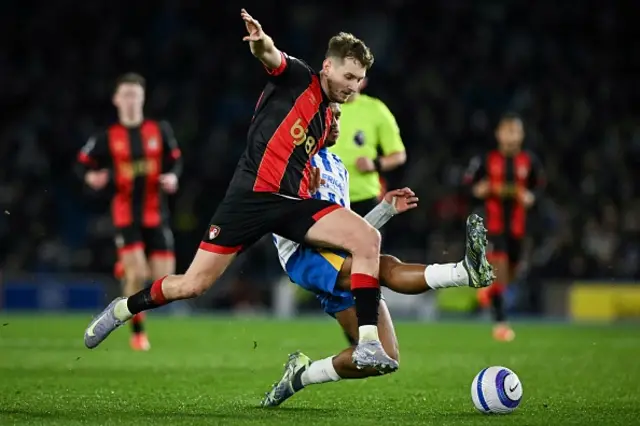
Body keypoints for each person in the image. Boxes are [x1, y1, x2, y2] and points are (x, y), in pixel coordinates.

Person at [83, 9, 397, 373]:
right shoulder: (299, 77)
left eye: (359, 79)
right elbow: (271, 56)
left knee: (367, 238)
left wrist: (309, 172)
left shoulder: (328, 117)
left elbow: (299, 152)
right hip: (249, 198)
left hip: (292, 204)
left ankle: (370, 343)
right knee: (192, 284)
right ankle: (124, 309)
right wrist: (261, 42)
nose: (353, 86)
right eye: (348, 76)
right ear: (327, 67)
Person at [262, 104, 494, 407]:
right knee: (382, 267)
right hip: (305, 255)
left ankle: (302, 374)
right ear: (310, 122)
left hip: (339, 257)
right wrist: (300, 192)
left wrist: (385, 210)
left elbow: (351, 232)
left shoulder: (337, 166)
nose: (337, 123)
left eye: (340, 117)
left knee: (384, 357)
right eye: (330, 116)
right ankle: (463, 272)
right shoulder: (292, 160)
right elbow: (271, 207)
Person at [77, 73, 181, 351]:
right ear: (116, 100)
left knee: (164, 281)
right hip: (126, 215)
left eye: (135, 95)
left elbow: (175, 161)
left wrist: (173, 177)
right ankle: (138, 334)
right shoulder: (108, 136)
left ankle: (124, 266)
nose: (131, 100)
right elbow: (83, 162)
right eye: (126, 95)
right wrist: (91, 177)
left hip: (156, 214)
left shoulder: (159, 130)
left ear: (143, 99)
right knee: (137, 276)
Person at [463, 112, 546, 341]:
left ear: (521, 135)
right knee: (498, 267)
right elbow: (468, 183)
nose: (510, 136)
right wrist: (477, 190)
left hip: (520, 228)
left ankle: (488, 291)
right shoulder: (486, 159)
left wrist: (532, 197)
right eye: (506, 131)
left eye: (515, 131)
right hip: (494, 225)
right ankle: (501, 323)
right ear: (498, 134)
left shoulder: (529, 161)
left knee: (513, 271)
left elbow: (540, 186)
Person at [328, 77, 406, 218]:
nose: (349, 84)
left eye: (355, 78)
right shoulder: (323, 106)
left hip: (364, 197)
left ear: (363, 82)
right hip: (326, 196)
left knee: (369, 240)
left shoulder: (376, 109)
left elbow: (399, 155)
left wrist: (375, 163)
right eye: (346, 77)